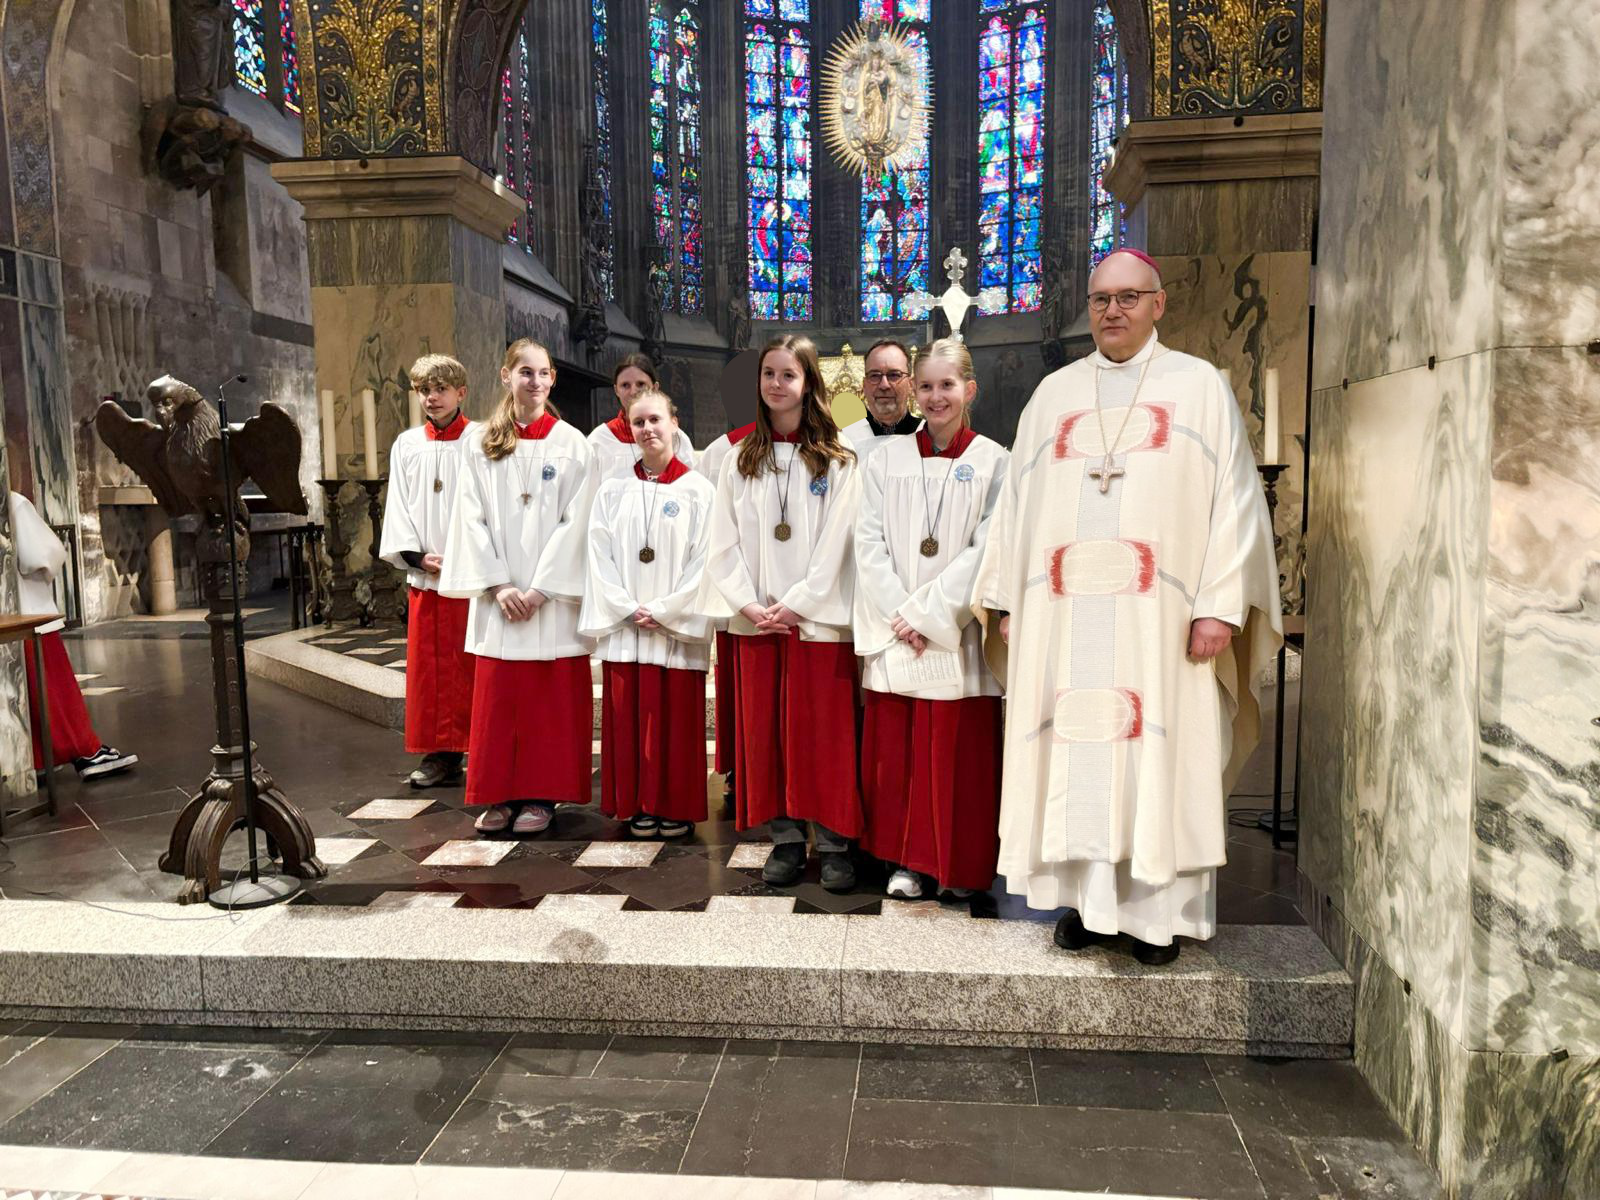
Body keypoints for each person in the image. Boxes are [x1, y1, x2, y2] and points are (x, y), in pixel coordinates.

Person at [972, 248, 1282, 965]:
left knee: (1158, 757)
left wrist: (1219, 607)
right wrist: (1006, 599)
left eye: (1129, 298)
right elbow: (1013, 509)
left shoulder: (1198, 387)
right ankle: (1087, 907)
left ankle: (1157, 917)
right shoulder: (1053, 395)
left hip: (1162, 629)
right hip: (1063, 622)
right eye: (1102, 299)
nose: (1113, 311)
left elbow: (1235, 505)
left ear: (1159, 303)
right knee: (1077, 750)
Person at [853, 339, 1009, 901]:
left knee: (955, 756)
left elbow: (989, 549)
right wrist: (900, 613)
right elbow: (866, 541)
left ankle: (961, 866)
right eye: (926, 386)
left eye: (947, 385)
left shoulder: (995, 461)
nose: (935, 396)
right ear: (914, 393)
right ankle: (909, 862)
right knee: (901, 756)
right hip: (899, 633)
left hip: (957, 634)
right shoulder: (883, 460)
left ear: (970, 389)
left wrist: (928, 613)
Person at [707, 335, 862, 891]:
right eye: (768, 374)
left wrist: (795, 604)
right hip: (756, 624)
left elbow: (839, 541)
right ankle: (787, 839)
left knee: (823, 736)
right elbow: (719, 542)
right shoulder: (736, 460)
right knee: (768, 734)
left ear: (808, 383)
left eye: (787, 375)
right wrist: (750, 604)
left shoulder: (838, 459)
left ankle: (837, 841)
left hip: (816, 624)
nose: (776, 384)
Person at [439, 339, 598, 836]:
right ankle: (501, 796)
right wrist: (499, 584)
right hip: (500, 599)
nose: (534, 381)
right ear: (506, 376)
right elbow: (468, 517)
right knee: (500, 700)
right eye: (524, 372)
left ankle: (543, 797)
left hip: (548, 604)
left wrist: (541, 589)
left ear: (552, 380)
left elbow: (579, 521)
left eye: (543, 373)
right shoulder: (479, 441)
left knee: (547, 703)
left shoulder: (574, 444)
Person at [580, 388, 716, 839]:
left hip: (672, 631)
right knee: (629, 720)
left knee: (674, 723)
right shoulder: (613, 491)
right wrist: (625, 607)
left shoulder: (699, 490)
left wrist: (663, 609)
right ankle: (637, 800)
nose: (648, 430)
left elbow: (706, 562)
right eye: (639, 423)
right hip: (627, 629)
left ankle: (673, 804)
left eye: (656, 420)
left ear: (674, 423)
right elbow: (598, 555)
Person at [379, 354, 477, 789]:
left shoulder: (480, 440)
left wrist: (467, 556)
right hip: (428, 576)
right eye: (424, 390)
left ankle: (480, 747)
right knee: (431, 671)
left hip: (473, 576)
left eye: (441, 389)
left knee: (471, 666)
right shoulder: (407, 444)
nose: (432, 398)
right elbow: (398, 505)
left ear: (461, 393)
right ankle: (440, 755)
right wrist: (417, 558)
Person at [9, 492, 138, 781]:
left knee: (24, 694)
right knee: (54, 689)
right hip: (31, 612)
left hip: (7, 617)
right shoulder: (11, 501)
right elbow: (43, 554)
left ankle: (39, 759)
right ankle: (87, 750)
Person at [696, 413, 758, 813]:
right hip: (741, 597)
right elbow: (713, 527)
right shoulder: (724, 450)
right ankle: (739, 768)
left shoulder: (826, 446)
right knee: (741, 694)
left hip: (801, 608)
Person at [588, 354, 696, 482]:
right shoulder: (600, 439)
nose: (633, 392)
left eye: (641, 384)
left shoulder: (675, 438)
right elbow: (591, 497)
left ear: (655, 388)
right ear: (616, 390)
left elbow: (689, 487)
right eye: (625, 385)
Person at [842, 339, 920, 458]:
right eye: (874, 376)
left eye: (894, 375)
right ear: (864, 386)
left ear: (910, 384)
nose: (884, 385)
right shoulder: (845, 441)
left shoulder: (928, 437)